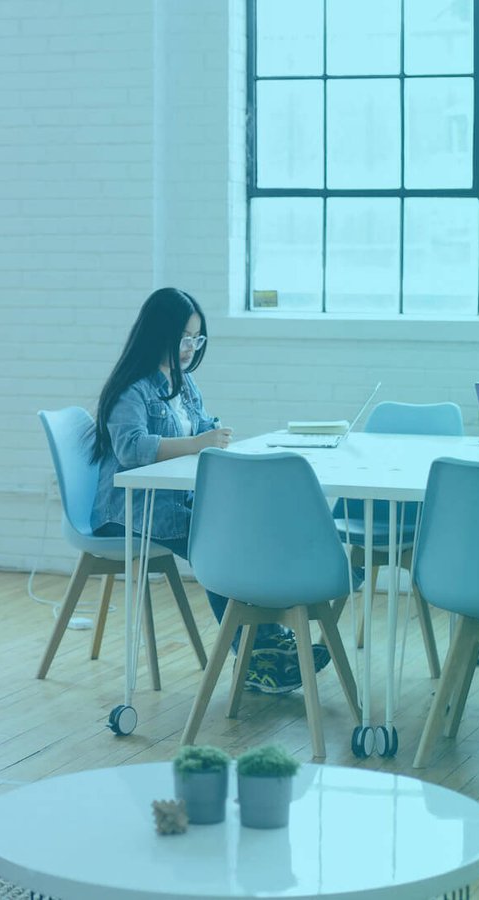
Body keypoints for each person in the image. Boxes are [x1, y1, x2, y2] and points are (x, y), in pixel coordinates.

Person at [90, 287, 327, 694]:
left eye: (196, 339)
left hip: (177, 501)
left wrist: (212, 436)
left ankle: (267, 644)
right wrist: (199, 443)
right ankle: (255, 654)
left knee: (246, 527)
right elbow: (131, 449)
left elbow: (200, 429)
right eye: (184, 338)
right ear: (157, 333)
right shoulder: (132, 388)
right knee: (221, 542)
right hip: (130, 511)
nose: (190, 347)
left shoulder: (185, 384)